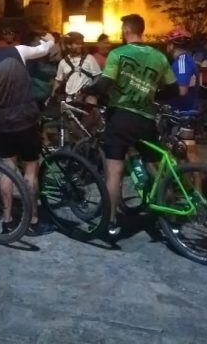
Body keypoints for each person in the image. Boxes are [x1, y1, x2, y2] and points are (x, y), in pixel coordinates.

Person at [82, 14, 179, 237]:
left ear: (126, 30)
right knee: (157, 169)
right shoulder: (159, 57)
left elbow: (105, 84)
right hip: (146, 119)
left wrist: (89, 90)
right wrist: (151, 93)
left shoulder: (118, 54)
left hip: (121, 119)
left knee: (114, 172)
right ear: (141, 30)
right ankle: (172, 219)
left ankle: (111, 222)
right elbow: (173, 90)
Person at [0, 24, 55, 236]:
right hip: (27, 118)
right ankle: (33, 219)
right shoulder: (17, 50)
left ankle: (8, 219)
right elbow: (45, 50)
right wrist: (50, 38)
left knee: (7, 169)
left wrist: (1, 112)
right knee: (30, 170)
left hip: (3, 123)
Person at [52, 31, 101, 102]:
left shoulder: (89, 58)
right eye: (77, 44)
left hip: (85, 99)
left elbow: (98, 76)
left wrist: (89, 89)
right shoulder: (63, 62)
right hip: (68, 100)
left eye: (81, 43)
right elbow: (58, 81)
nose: (80, 46)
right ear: (68, 45)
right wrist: (52, 97)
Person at [165, 28, 199, 112]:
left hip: (181, 111)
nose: (166, 47)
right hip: (183, 108)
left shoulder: (182, 62)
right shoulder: (185, 59)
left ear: (172, 46)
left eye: (168, 44)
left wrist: (159, 93)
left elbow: (182, 91)